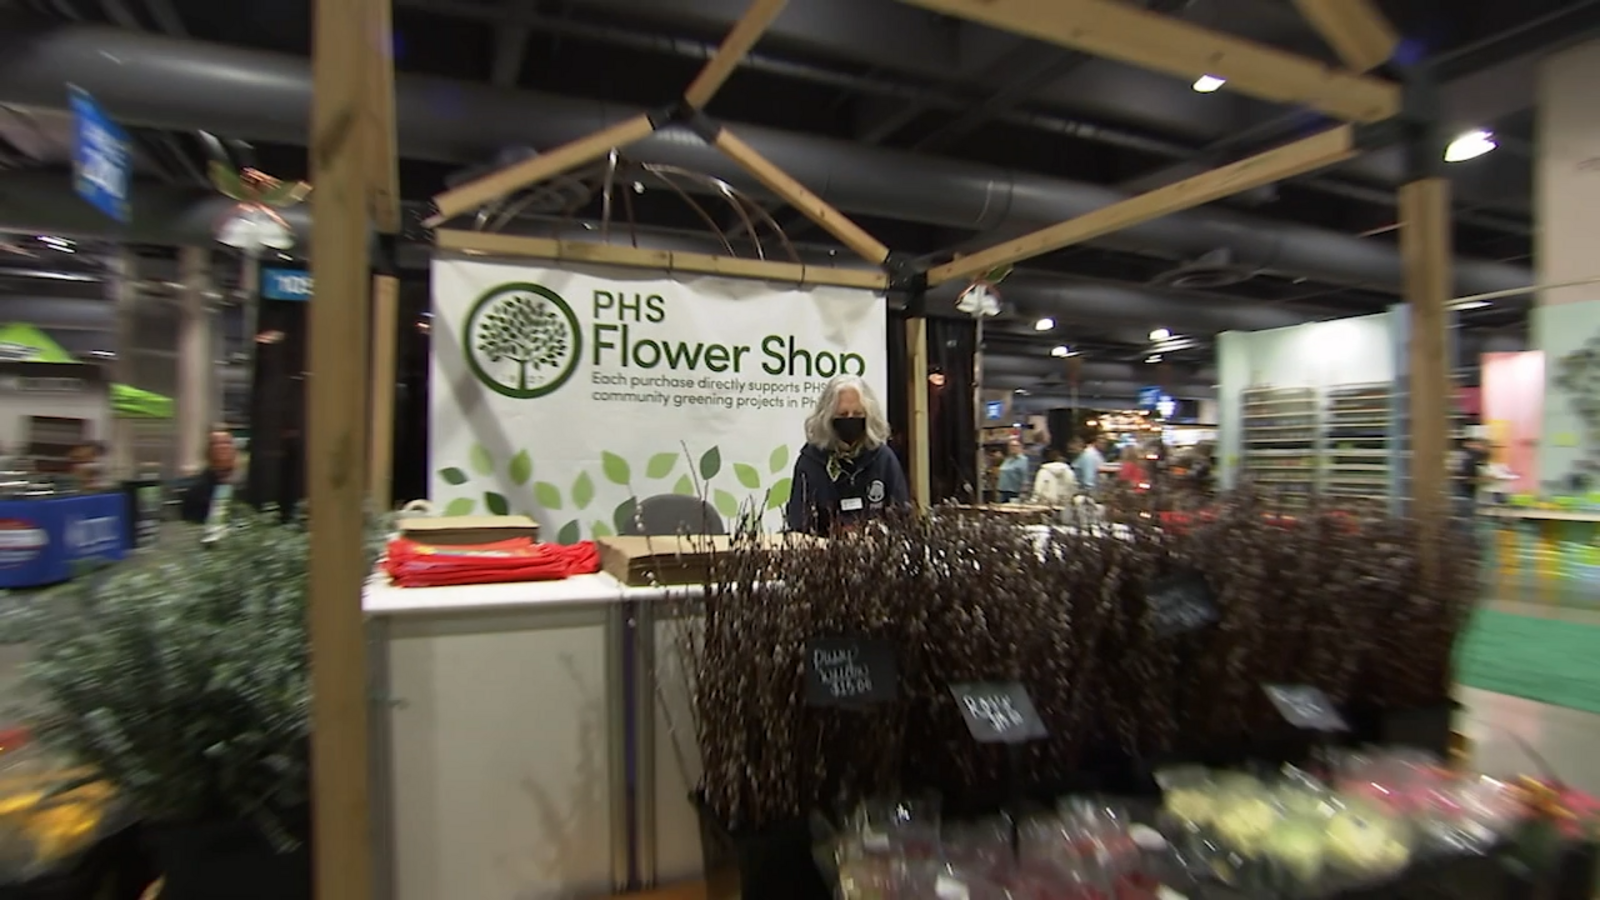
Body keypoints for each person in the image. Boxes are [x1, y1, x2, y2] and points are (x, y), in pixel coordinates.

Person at [786, 375, 909, 535]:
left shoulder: (883, 458)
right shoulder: (811, 461)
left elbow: (902, 518)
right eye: (843, 415)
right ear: (828, 417)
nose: (850, 420)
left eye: (857, 414)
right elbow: (798, 523)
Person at [180, 429, 238, 525]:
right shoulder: (197, 489)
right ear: (208, 452)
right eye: (217, 444)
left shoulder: (244, 484)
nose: (223, 447)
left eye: (227, 443)